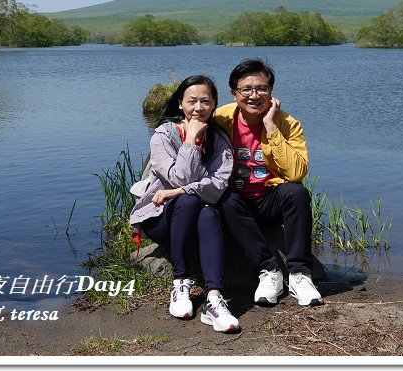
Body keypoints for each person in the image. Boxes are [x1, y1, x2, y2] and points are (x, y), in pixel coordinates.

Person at [129, 75, 240, 333]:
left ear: (214, 104)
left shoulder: (219, 139)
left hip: (200, 216)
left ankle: (214, 299)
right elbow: (178, 176)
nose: (198, 108)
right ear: (180, 103)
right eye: (192, 101)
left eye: (205, 101)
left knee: (208, 212)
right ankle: (180, 283)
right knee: (190, 201)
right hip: (161, 219)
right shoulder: (163, 135)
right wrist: (190, 140)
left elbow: (217, 186)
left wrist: (176, 191)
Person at [214, 59, 323, 307]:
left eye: (262, 88)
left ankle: (299, 275)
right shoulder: (221, 119)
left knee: (295, 192)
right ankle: (269, 270)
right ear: (234, 93)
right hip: (238, 204)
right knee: (224, 198)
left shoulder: (287, 124)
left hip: (270, 200)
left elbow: (296, 172)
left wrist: (271, 127)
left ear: (271, 92)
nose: (254, 95)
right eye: (246, 89)